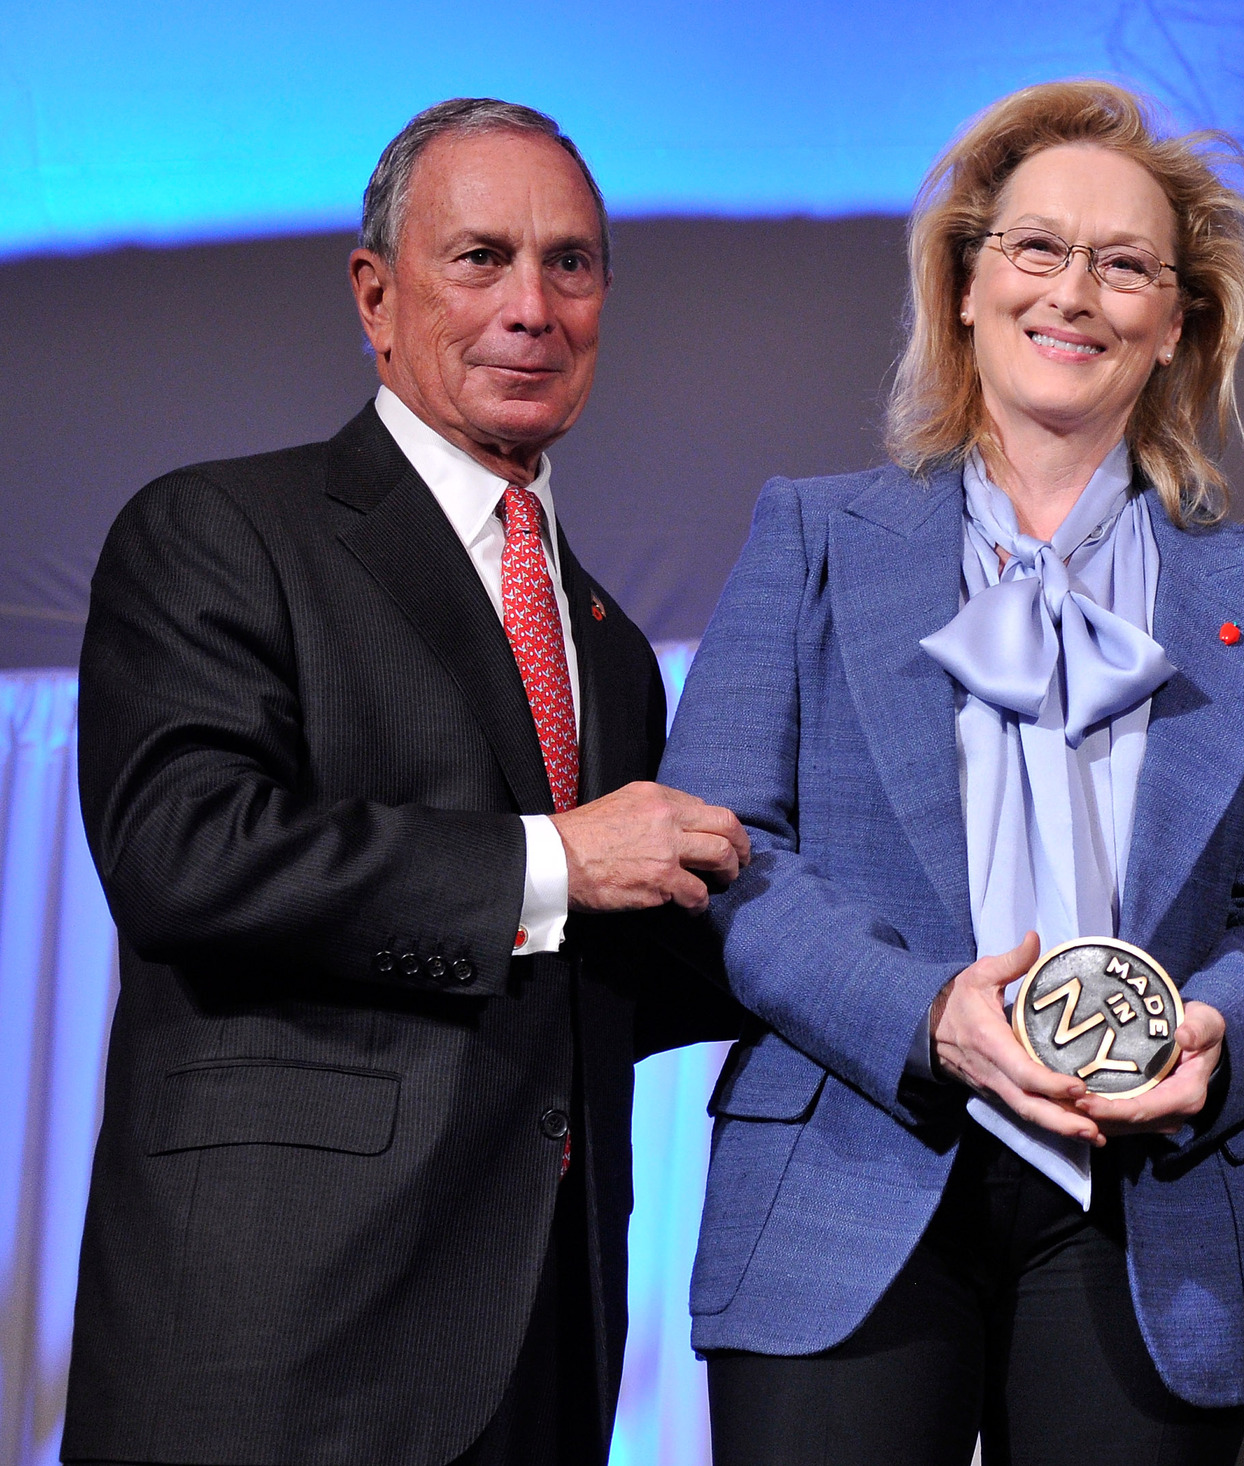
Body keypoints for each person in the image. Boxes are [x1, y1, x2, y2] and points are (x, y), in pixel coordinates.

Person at [662, 81, 1244, 1466]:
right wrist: (929, 1016)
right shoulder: (811, 535)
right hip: (850, 1159)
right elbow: (726, 848)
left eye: (1128, 265)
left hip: (1151, 1198)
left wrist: (1211, 1039)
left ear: (1175, 325)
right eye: (1035, 248)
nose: (1075, 292)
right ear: (964, 283)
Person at [64, 99, 747, 1466]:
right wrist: (551, 858)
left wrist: (893, 959)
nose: (532, 306)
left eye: (572, 264)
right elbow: (186, 851)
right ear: (376, 296)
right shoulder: (221, 529)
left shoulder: (607, 646)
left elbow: (603, 973)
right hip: (275, 1347)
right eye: (480, 257)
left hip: (540, 1344)